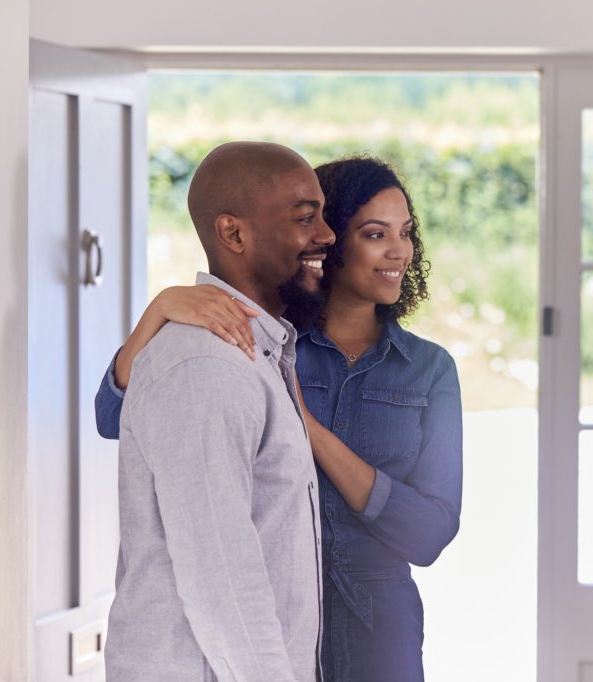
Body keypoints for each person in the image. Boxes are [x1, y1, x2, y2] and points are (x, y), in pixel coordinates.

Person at [96, 155, 462, 682]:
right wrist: (159, 311)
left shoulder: (426, 370)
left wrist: (307, 429)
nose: (398, 250)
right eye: (375, 232)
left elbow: (429, 533)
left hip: (375, 631)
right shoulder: (254, 341)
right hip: (273, 629)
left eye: (405, 233)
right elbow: (119, 417)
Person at [104, 141, 334, 681]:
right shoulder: (206, 364)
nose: (326, 235)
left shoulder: (254, 352)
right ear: (233, 233)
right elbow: (221, 576)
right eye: (306, 219)